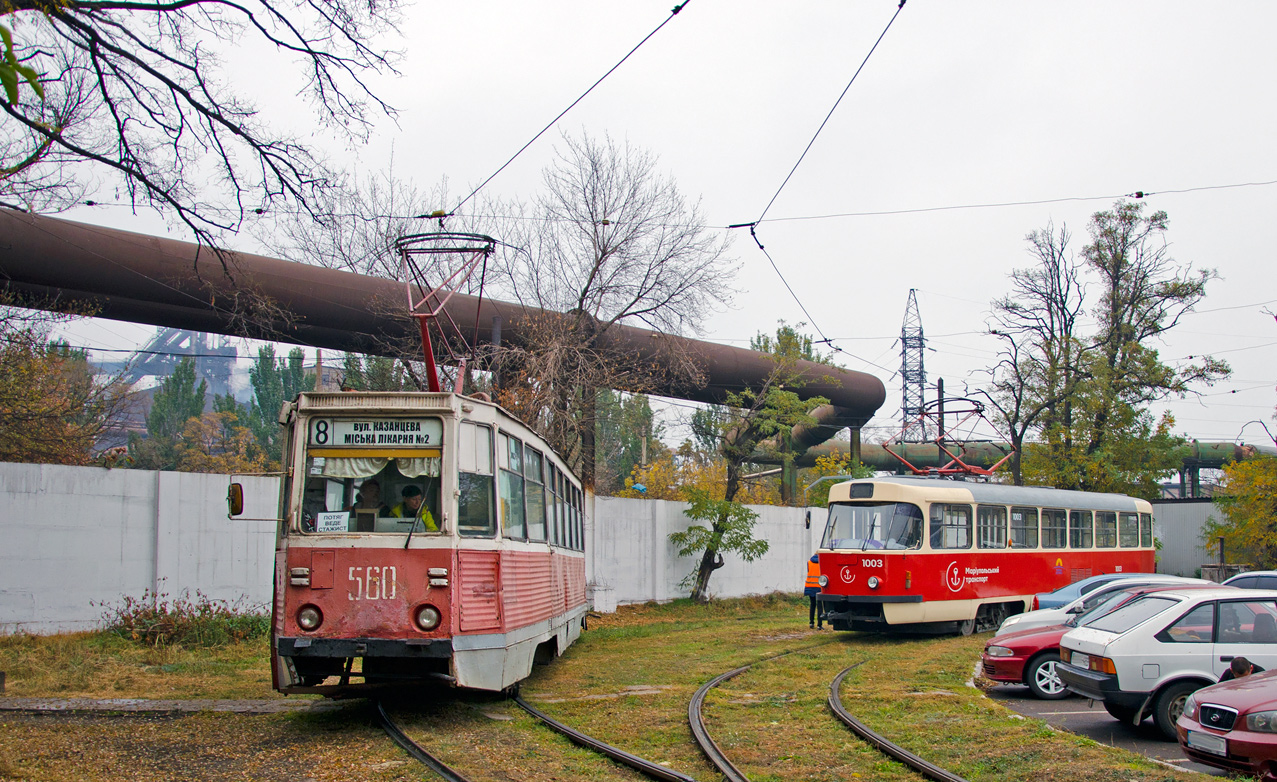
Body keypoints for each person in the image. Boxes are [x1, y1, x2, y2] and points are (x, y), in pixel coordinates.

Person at [805, 554, 823, 629]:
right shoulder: (822, 563)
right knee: (820, 606)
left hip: (809, 586)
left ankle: (811, 623)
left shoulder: (809, 562)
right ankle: (819, 625)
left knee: (812, 605)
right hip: (819, 586)